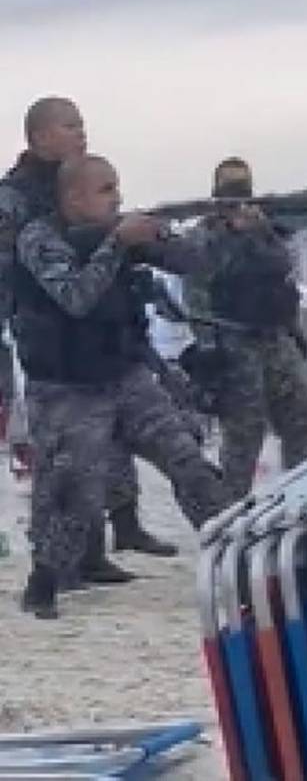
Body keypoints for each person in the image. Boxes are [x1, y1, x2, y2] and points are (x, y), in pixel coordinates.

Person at [15, 154, 229, 618]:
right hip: (66, 389)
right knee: (73, 492)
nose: (117, 198)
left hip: (124, 376)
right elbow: (75, 297)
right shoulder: (38, 238)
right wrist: (117, 242)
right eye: (106, 190)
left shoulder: (117, 232)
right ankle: (46, 580)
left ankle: (232, 557)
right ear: (73, 196)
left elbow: (192, 263)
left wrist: (201, 226)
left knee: (186, 458)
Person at [0, 98, 175, 572]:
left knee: (108, 436)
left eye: (82, 124)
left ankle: (106, 542)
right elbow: (12, 266)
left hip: (95, 319)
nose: (82, 133)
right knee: (63, 454)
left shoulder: (80, 180)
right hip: (46, 331)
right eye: (70, 125)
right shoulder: (14, 198)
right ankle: (59, 562)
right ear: (39, 137)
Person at [186, 158, 307, 501]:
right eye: (230, 187)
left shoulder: (265, 230)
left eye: (243, 186)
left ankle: (301, 495)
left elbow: (281, 271)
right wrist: (208, 347)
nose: (238, 194)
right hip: (233, 341)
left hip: (274, 337)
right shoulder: (204, 235)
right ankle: (231, 507)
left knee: (303, 422)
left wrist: (259, 233)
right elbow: (198, 288)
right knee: (244, 434)